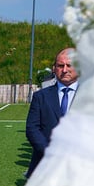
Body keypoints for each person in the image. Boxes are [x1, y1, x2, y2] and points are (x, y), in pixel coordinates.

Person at [25, 48, 77, 177]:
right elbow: (32, 129)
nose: (64, 70)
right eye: (60, 66)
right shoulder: (40, 97)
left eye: (69, 65)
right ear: (54, 69)